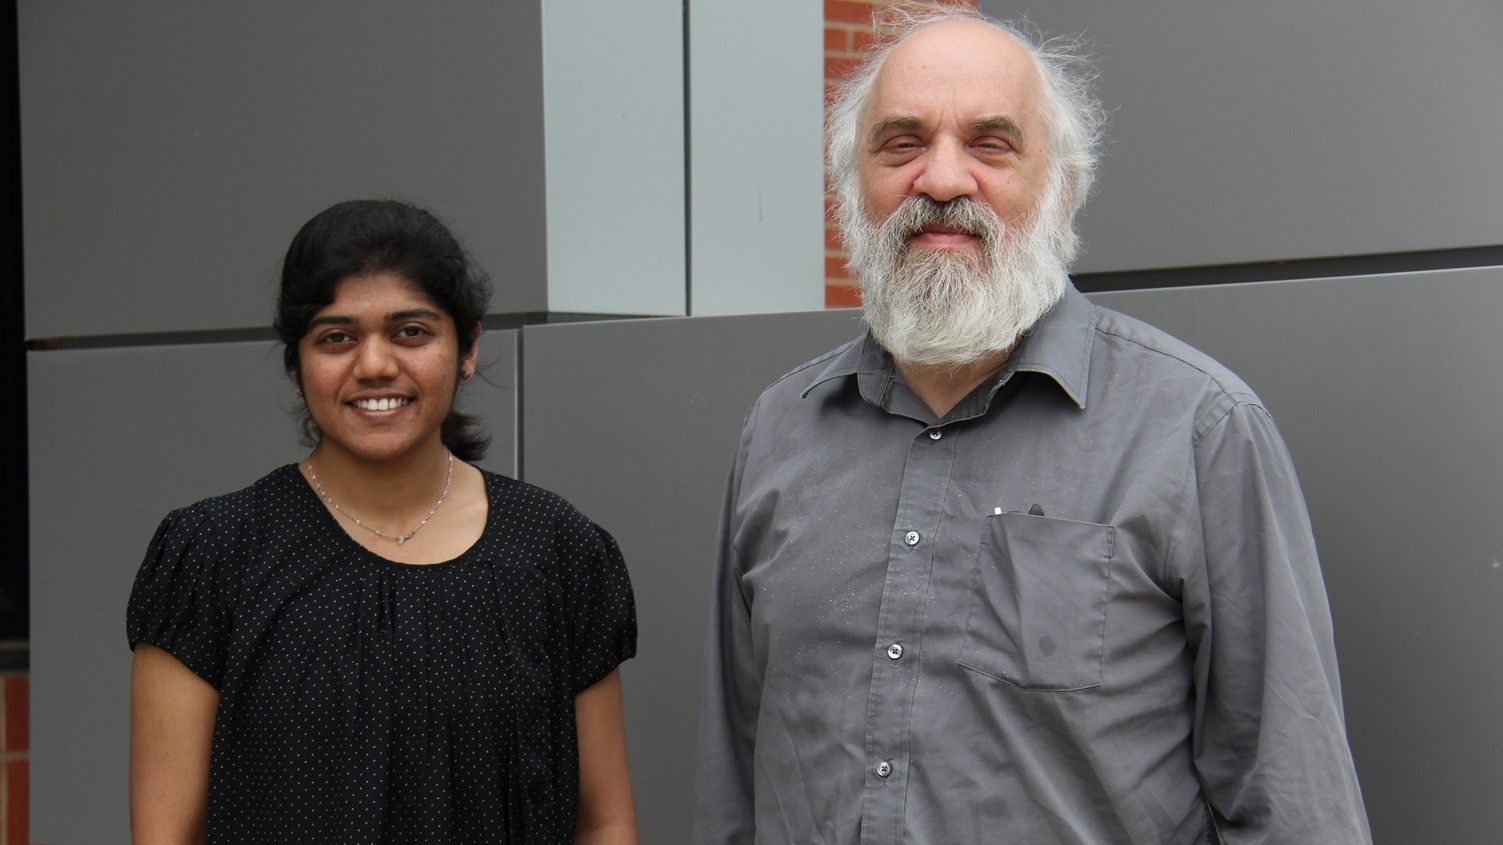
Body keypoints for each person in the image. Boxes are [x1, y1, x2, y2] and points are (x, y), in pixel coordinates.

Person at [694, 5, 1370, 843]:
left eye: (990, 143)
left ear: (1061, 184)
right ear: (848, 186)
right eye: (901, 143)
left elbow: (1291, 802)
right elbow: (737, 780)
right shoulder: (778, 434)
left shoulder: (1197, 431)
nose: (941, 181)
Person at [128, 199, 639, 844]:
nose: (374, 365)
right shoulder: (215, 555)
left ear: (468, 347)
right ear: (295, 362)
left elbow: (605, 822)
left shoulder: (555, 549)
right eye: (336, 337)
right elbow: (167, 835)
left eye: (411, 332)